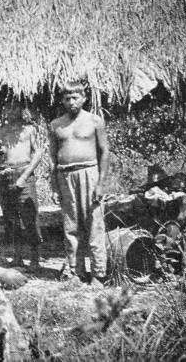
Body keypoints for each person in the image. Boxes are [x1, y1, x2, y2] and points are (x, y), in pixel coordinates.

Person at [48, 80, 110, 287]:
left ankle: (98, 274)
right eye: (67, 99)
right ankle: (76, 271)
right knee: (71, 226)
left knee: (94, 224)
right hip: (65, 176)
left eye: (75, 98)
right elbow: (52, 158)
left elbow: (104, 152)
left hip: (89, 173)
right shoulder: (56, 125)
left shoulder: (95, 121)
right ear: (62, 101)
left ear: (84, 98)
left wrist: (100, 184)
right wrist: (54, 186)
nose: (71, 102)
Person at [0, 105, 43, 271]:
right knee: (11, 219)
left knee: (29, 217)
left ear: (21, 110)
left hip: (23, 174)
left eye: (15, 108)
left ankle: (35, 259)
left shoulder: (29, 129)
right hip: (6, 175)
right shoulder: (1, 131)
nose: (11, 112)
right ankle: (17, 257)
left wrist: (25, 176)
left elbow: (38, 153)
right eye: (8, 109)